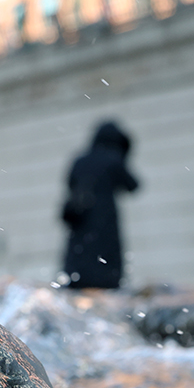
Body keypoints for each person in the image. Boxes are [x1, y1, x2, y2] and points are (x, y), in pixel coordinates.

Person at [61, 121, 140, 289]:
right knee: (105, 273)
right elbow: (133, 185)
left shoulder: (80, 161)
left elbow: (69, 182)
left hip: (80, 229)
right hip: (105, 227)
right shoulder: (112, 159)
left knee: (78, 276)